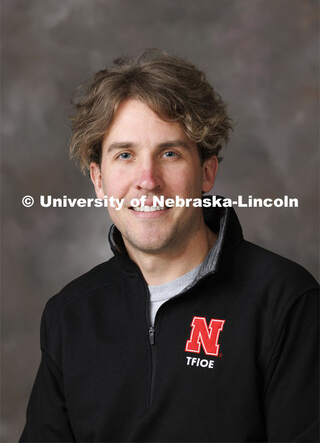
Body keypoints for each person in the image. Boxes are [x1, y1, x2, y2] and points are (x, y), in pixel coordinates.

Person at [20, 49, 319, 442]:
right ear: (98, 179)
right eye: (125, 154)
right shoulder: (69, 315)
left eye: (170, 153)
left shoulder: (286, 302)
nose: (148, 179)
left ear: (207, 171)